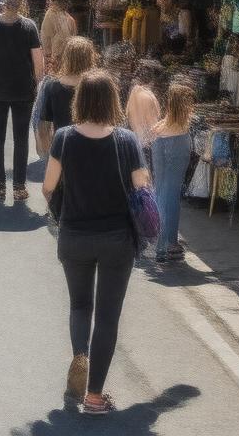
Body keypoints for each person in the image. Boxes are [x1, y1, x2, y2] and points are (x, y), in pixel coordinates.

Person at [42, 70, 150, 414]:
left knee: (79, 306)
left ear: (81, 101)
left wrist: (64, 209)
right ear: (112, 101)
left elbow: (48, 186)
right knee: (107, 316)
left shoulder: (63, 138)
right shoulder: (126, 141)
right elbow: (142, 188)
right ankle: (94, 396)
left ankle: (80, 356)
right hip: (116, 239)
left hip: (74, 236)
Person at [0, 0, 44, 201]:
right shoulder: (29, 26)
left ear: (3, 3)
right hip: (23, 89)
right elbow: (38, 60)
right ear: (22, 5)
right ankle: (19, 187)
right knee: (21, 139)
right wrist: (37, 81)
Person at [152, 80, 194, 264]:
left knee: (161, 192)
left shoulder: (163, 124)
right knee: (171, 196)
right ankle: (168, 243)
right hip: (177, 146)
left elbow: (158, 127)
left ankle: (161, 242)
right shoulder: (183, 125)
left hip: (160, 144)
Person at [41, 36, 98, 133]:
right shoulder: (97, 86)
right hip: (92, 139)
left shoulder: (52, 85)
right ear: (90, 58)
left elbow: (45, 122)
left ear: (67, 58)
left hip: (63, 139)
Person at [125, 60, 163, 162]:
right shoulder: (148, 97)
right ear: (153, 80)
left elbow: (128, 113)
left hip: (135, 140)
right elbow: (153, 125)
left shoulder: (134, 92)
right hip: (146, 145)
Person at [41, 0, 78, 74]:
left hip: (54, 58)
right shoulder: (70, 18)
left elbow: (46, 37)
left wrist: (48, 56)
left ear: (53, 1)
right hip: (68, 57)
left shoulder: (50, 14)